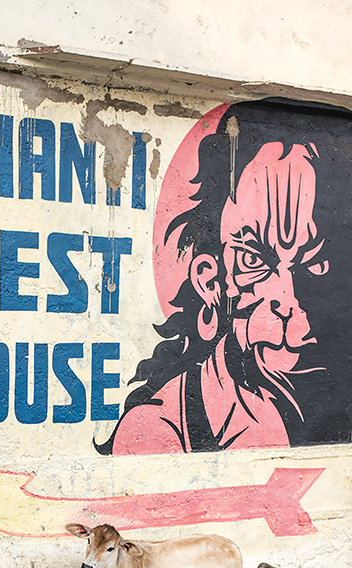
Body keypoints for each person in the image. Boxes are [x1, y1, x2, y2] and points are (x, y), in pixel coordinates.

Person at [96, 99, 352, 455]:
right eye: (252, 259)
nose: (286, 296)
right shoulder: (165, 429)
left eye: (313, 264)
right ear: (210, 280)